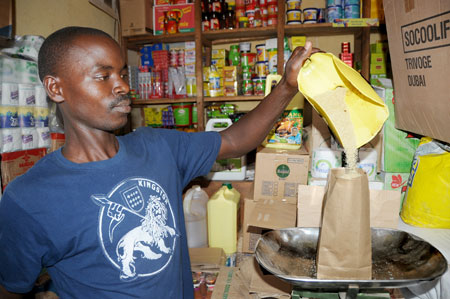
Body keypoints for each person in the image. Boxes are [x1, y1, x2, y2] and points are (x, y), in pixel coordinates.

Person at [0, 26, 315, 298]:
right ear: (56, 88)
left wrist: (287, 86)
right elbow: (12, 288)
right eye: (102, 76)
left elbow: (235, 140)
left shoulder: (157, 146)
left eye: (122, 73)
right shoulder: (29, 197)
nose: (123, 85)